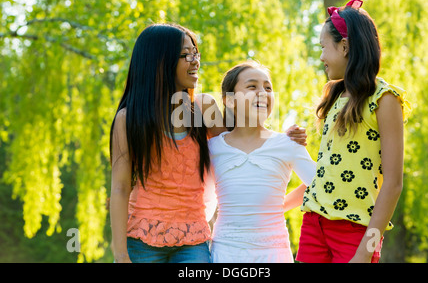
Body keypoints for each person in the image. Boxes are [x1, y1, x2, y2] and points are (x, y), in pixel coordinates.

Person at [109, 23, 307, 263]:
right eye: (185, 55)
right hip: (141, 241)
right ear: (159, 61)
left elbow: (239, 146)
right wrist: (121, 254)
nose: (195, 62)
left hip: (193, 243)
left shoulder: (203, 108)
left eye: (196, 54)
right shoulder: (129, 119)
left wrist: (283, 140)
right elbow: (120, 188)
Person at [296, 0, 411, 263]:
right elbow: (329, 168)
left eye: (324, 48)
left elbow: (393, 184)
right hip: (314, 223)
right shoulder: (334, 95)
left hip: (356, 233)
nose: (322, 57)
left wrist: (365, 252)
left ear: (345, 47)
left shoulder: (385, 99)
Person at [209, 61, 317, 263]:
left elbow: (321, 185)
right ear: (229, 100)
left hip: (274, 254)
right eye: (252, 86)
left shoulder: (287, 143)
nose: (263, 92)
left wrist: (278, 205)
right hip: (225, 254)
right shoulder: (213, 148)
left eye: (268, 88)